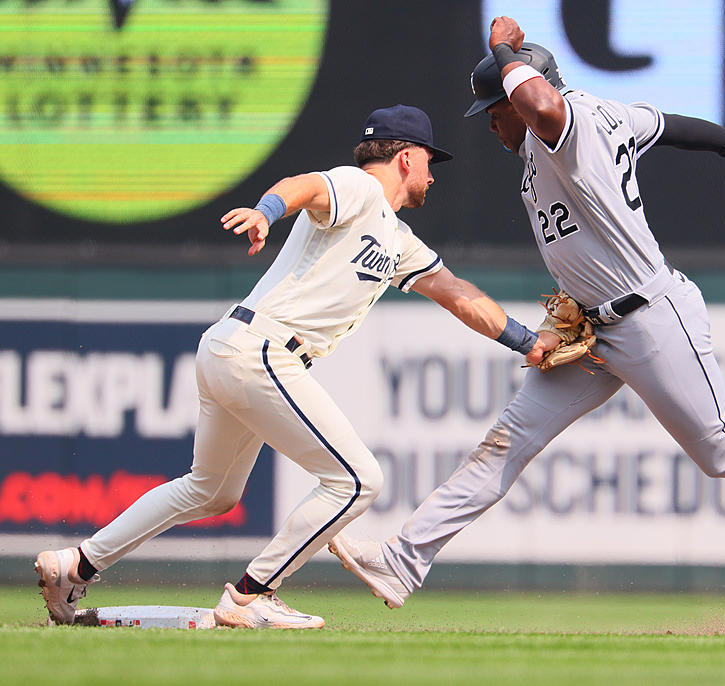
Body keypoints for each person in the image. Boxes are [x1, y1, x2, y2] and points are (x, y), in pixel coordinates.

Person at [328, 17, 725, 609]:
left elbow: (542, 103)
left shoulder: (569, 125)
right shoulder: (581, 126)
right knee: (507, 440)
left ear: (528, 87)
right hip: (594, 329)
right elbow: (667, 126)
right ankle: (403, 560)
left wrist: (502, 48)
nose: (491, 120)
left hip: (650, 317)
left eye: (497, 107)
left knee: (720, 450)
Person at [34, 104, 548, 629]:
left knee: (211, 490)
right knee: (356, 480)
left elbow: (457, 293)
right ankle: (255, 593)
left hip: (233, 349)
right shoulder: (360, 187)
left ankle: (76, 564)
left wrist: (528, 341)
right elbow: (304, 186)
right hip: (262, 349)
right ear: (406, 157)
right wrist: (267, 209)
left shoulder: (397, 239)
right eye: (429, 162)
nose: (432, 175)